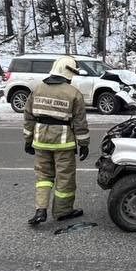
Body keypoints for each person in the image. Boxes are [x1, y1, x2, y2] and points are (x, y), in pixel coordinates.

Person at [22, 56, 90, 226]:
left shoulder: (37, 89)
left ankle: (40, 210)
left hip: (40, 140)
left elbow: (28, 117)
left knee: (43, 176)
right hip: (63, 143)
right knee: (65, 177)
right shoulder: (73, 93)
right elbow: (80, 123)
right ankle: (62, 211)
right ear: (69, 72)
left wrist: (28, 140)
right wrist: (84, 144)